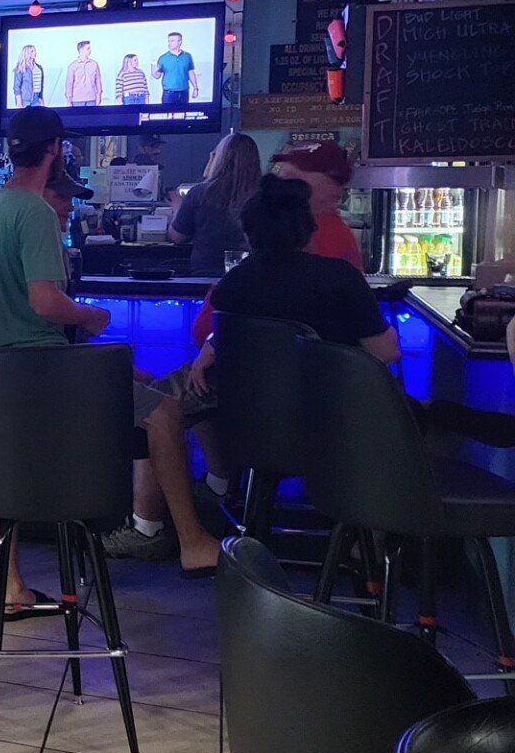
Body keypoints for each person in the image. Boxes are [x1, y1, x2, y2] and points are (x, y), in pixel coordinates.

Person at [0, 109, 219, 596]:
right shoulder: (36, 210)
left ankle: (10, 583)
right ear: (56, 149)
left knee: (13, 457)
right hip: (49, 370)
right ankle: (191, 542)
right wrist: (90, 317)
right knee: (165, 411)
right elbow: (45, 302)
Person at [109, 177, 402, 564]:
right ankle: (370, 543)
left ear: (249, 235)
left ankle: (152, 523)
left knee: (156, 404)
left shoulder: (234, 284)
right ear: (308, 228)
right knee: (403, 412)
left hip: (250, 433)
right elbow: (386, 353)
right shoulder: (340, 279)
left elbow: (208, 332)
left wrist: (213, 346)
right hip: (335, 432)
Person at [171, 133, 261, 273]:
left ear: (219, 159)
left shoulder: (199, 193)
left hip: (205, 277)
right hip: (253, 276)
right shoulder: (264, 195)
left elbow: (177, 237)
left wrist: (176, 208)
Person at [272, 139, 363, 270]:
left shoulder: (325, 235)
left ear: (329, 183)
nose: (281, 182)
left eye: (292, 177)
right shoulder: (294, 225)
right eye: (283, 175)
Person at [154, 31, 198, 107]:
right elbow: (157, 76)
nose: (169, 43)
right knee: (167, 115)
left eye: (172, 41)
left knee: (183, 115)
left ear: (179, 42)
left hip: (184, 92)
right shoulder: (163, 58)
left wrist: (195, 88)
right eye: (169, 41)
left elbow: (190, 72)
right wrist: (154, 70)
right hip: (168, 93)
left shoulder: (187, 56)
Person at [64, 41, 103, 106]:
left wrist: (99, 96)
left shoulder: (94, 64)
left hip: (92, 99)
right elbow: (69, 83)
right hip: (77, 100)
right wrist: (68, 99)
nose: (90, 50)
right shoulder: (73, 66)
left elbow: (98, 82)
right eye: (88, 48)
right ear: (81, 50)